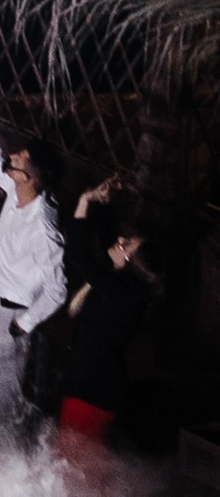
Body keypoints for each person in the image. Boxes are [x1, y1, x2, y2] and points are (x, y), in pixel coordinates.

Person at [0, 100, 65, 436]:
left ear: (34, 175)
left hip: (12, 318)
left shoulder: (44, 229)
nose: (15, 157)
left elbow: (57, 289)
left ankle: (10, 478)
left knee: (8, 409)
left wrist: (24, 324)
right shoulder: (15, 192)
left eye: (22, 159)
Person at [56, 178, 158, 451]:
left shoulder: (122, 292)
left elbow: (77, 253)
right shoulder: (123, 284)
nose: (121, 241)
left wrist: (84, 201)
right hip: (95, 384)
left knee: (75, 465)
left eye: (128, 245)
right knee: (79, 464)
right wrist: (104, 200)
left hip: (92, 387)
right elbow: (107, 235)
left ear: (135, 263)